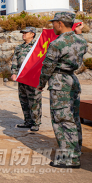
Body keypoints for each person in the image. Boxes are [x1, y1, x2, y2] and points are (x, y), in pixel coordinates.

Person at [37, 12, 88, 169]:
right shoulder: (81, 41)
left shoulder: (56, 44)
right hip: (72, 81)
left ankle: (69, 158)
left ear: (60, 23)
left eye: (54, 23)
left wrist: (41, 83)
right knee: (73, 117)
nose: (53, 26)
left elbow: (48, 67)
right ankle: (75, 151)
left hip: (60, 83)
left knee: (62, 120)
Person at [10, 27, 42, 132]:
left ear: (32, 34)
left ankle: (36, 123)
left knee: (34, 101)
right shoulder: (19, 48)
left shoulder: (37, 46)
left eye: (25, 33)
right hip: (21, 78)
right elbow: (15, 61)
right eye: (22, 33)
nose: (23, 34)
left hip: (33, 78)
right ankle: (27, 121)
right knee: (24, 100)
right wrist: (14, 73)